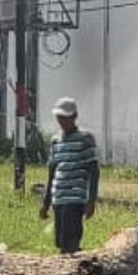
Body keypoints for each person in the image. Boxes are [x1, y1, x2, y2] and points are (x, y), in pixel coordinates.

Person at [39, 97, 99, 255]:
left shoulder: (85, 139)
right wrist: (46, 202)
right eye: (60, 118)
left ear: (74, 117)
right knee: (60, 240)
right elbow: (52, 173)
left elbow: (94, 170)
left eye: (66, 117)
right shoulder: (56, 141)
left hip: (75, 197)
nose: (62, 121)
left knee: (70, 240)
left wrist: (91, 200)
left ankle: (74, 262)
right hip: (59, 196)